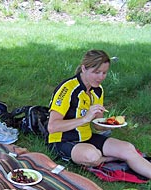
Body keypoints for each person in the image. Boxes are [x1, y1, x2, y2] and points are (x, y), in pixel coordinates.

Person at [47, 49, 151, 179]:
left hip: (87, 138)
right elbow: (52, 127)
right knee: (92, 156)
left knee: (128, 148)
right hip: (62, 140)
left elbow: (97, 125)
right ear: (84, 69)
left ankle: (114, 158)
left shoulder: (98, 90)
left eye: (104, 73)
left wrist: (111, 124)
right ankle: (108, 158)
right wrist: (85, 119)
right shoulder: (67, 88)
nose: (101, 77)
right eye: (96, 72)